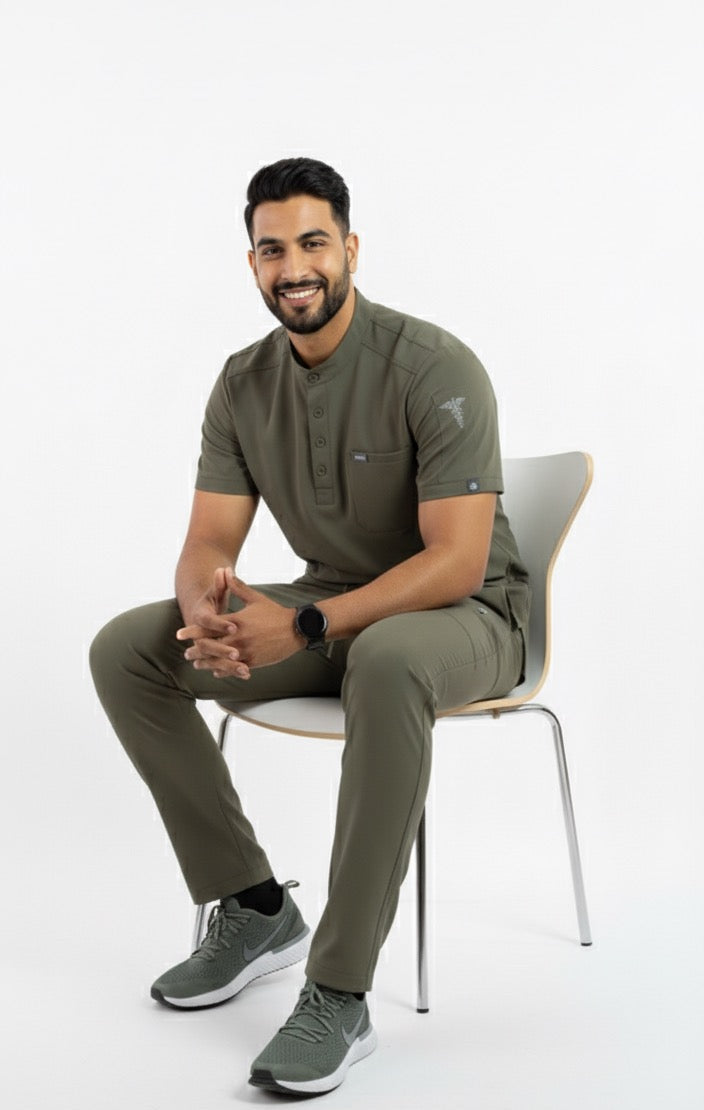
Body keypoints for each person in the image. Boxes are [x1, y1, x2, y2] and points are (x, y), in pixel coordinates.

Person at [90, 157, 530, 1097]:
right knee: (132, 650)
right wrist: (209, 609)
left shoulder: (434, 364)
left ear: (351, 250)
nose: (294, 266)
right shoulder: (242, 384)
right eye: (271, 248)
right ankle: (252, 910)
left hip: (467, 618)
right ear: (251, 263)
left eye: (313, 242)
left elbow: (456, 560)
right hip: (329, 611)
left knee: (389, 659)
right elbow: (211, 535)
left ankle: (339, 991)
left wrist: (309, 622)